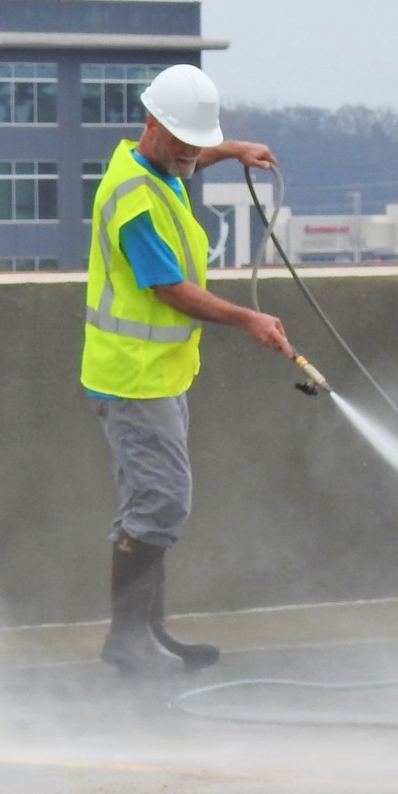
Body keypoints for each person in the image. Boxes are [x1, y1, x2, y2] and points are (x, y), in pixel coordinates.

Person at [81, 64, 291, 675]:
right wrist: (248, 319)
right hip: (133, 377)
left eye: (199, 145)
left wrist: (232, 150)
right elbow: (170, 289)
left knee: (152, 504)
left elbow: (189, 157)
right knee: (161, 504)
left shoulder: (159, 165)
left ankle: (147, 632)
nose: (192, 156)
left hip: (159, 372)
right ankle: (127, 641)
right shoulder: (134, 201)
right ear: (152, 125)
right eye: (184, 143)